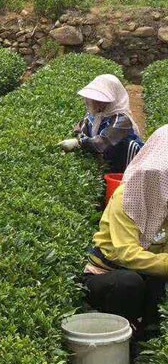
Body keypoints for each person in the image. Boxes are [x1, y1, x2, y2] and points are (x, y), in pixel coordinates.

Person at [83, 126, 168, 336]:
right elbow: (127, 254)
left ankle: (150, 332)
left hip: (149, 274)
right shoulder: (128, 197)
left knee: (157, 280)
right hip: (110, 274)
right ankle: (123, 333)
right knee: (129, 283)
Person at [58, 74, 143, 172]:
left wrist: (79, 142)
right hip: (108, 160)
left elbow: (102, 142)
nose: (96, 103)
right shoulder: (96, 115)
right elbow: (80, 128)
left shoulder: (122, 120)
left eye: (101, 100)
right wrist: (77, 137)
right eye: (95, 99)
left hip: (126, 161)